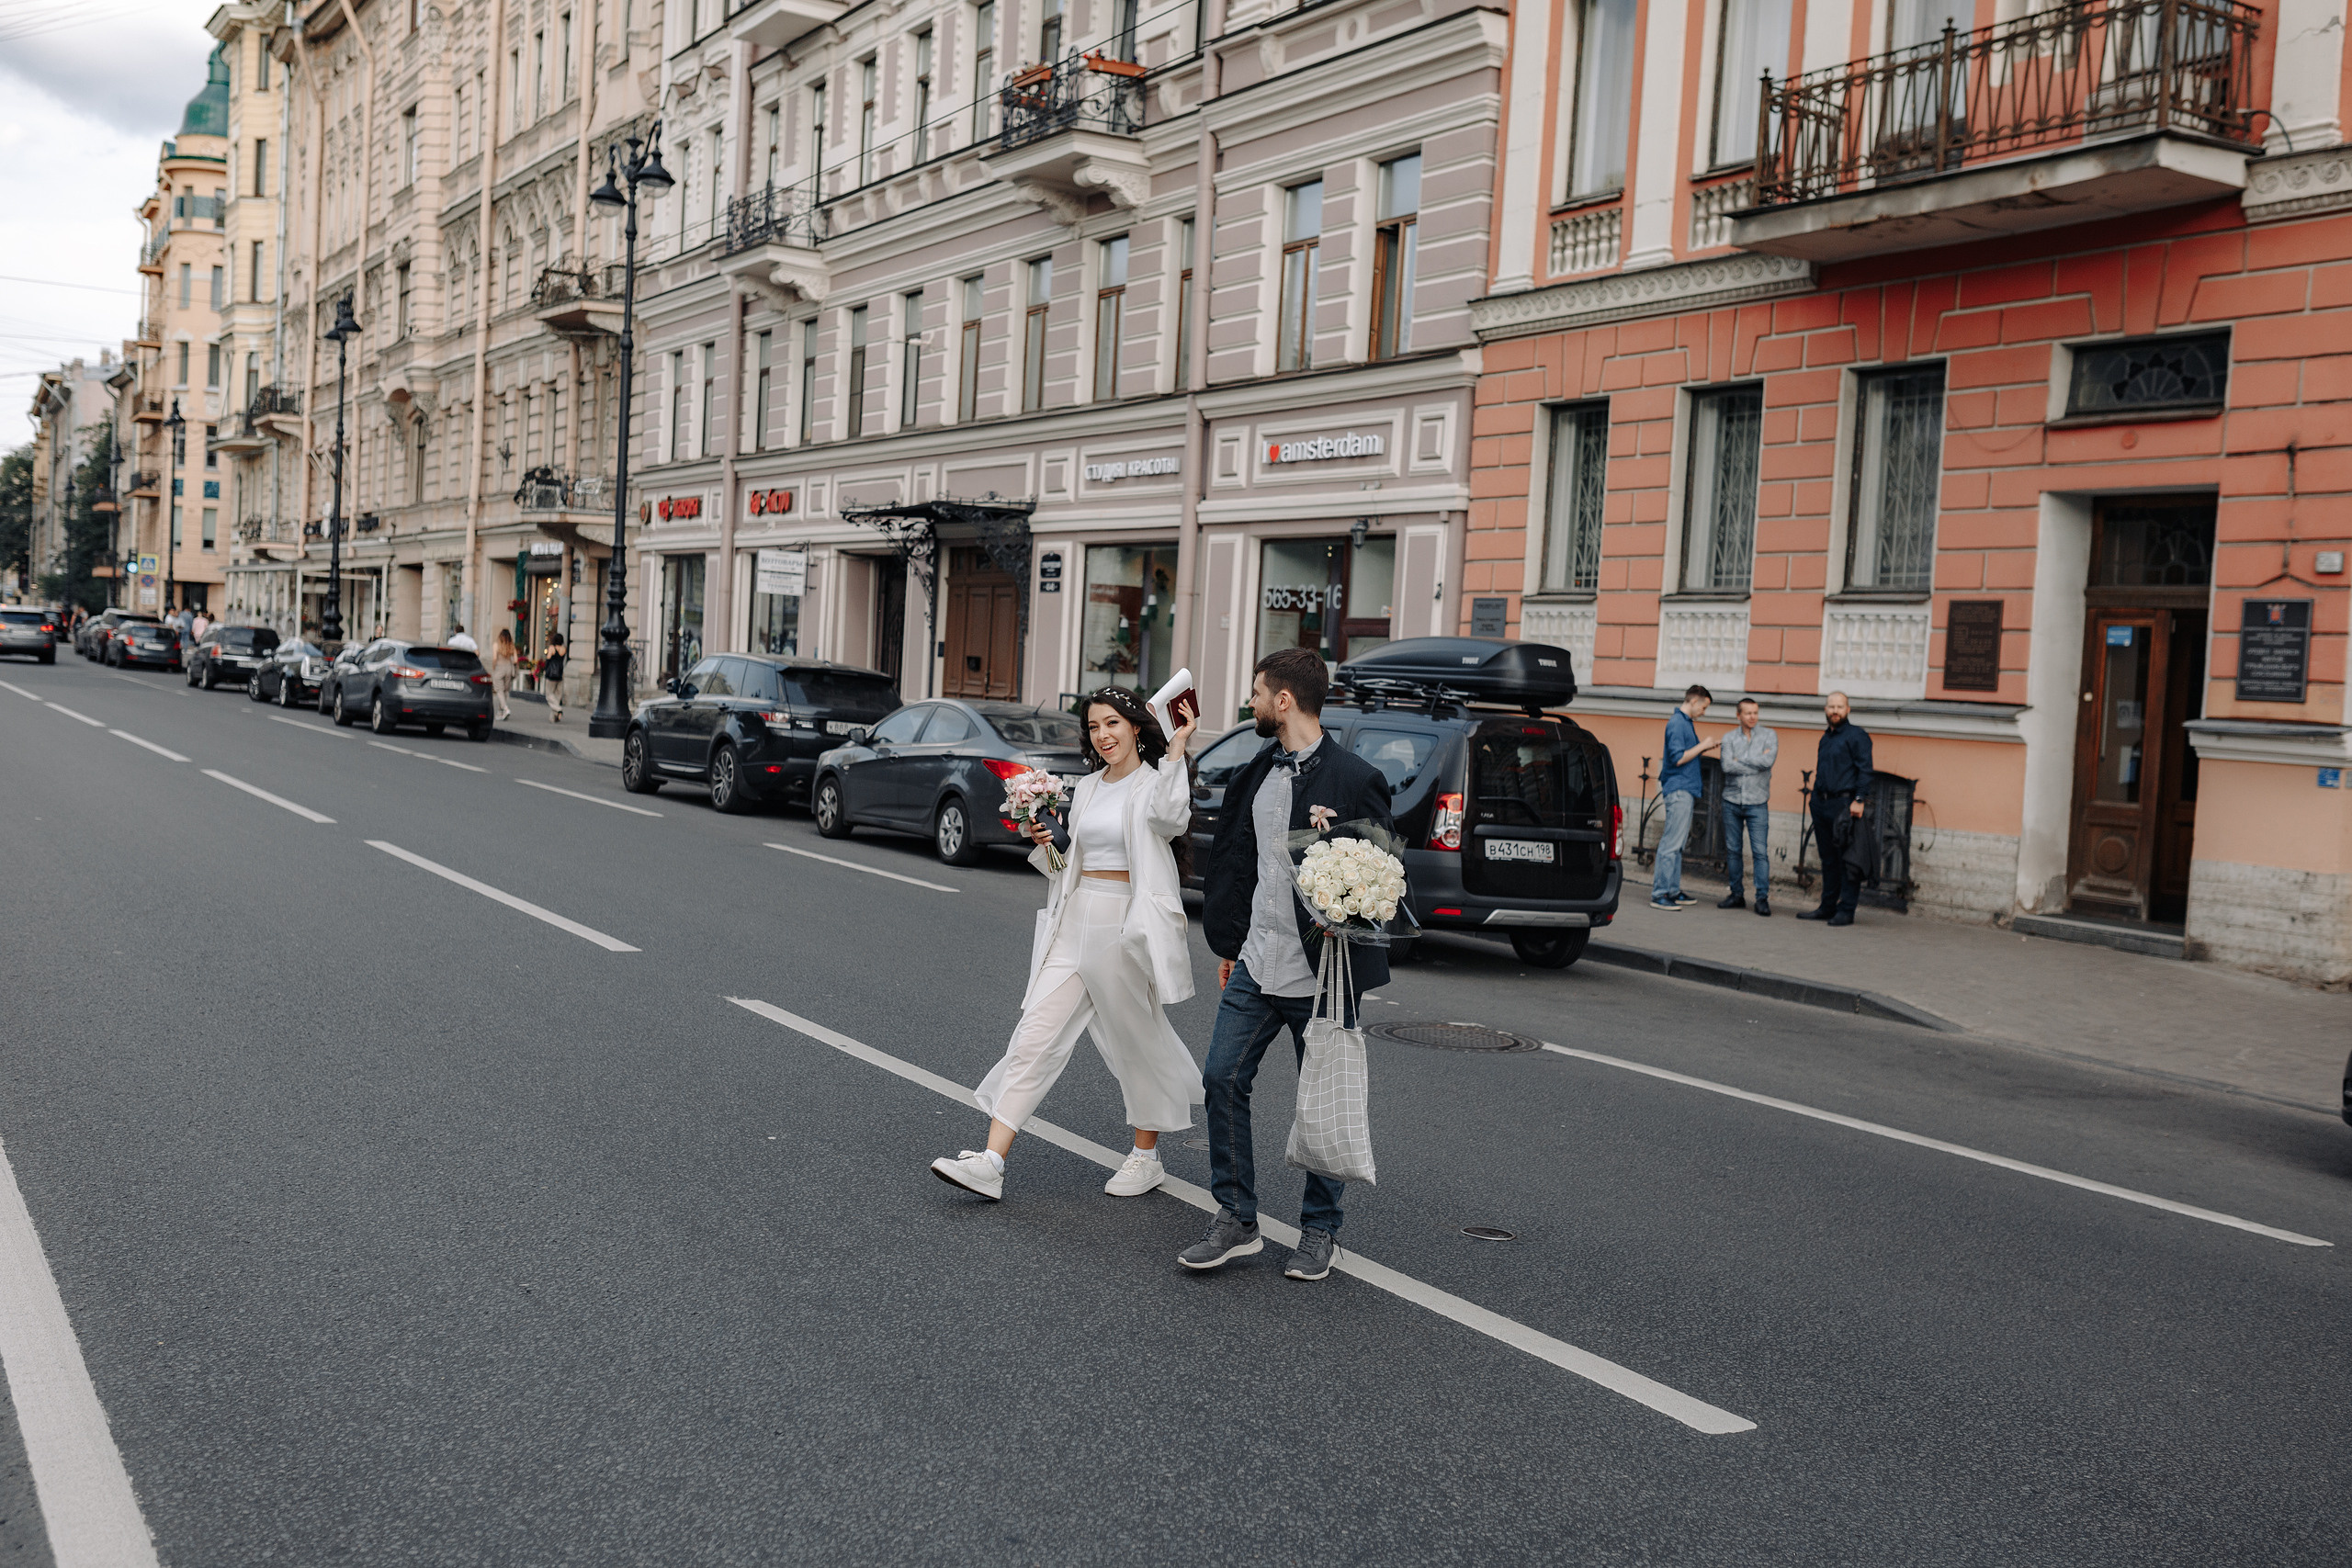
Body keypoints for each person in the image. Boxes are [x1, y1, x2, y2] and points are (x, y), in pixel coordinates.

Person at [932, 688, 1204, 1203]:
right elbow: (1069, 866)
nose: (1103, 735)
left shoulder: (1153, 783)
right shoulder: (1088, 789)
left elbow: (1171, 819)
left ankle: (1146, 1157)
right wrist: (1050, 845)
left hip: (1125, 924)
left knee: (1137, 1042)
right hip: (1074, 917)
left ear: (1134, 728)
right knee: (1035, 1034)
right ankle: (991, 1162)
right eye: (1095, 727)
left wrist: (1177, 749)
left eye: (1113, 724)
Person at [1181, 647, 1396, 1284]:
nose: (1248, 702)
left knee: (1322, 1100)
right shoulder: (1255, 772)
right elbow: (1239, 867)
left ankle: (1321, 1229)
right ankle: (1236, 1215)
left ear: (1283, 700)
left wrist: (1347, 915)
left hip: (1320, 973)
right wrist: (1232, 942)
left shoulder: (1355, 778)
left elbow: (1381, 878)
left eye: (1255, 692)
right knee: (1220, 1077)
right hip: (1257, 961)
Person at [1802, 691, 1874, 927]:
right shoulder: (1826, 738)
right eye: (1831, 706)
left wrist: (1860, 799)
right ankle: (1827, 906)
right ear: (1825, 709)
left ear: (1848, 710)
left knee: (1847, 860)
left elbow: (1865, 770)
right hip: (1821, 804)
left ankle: (1846, 910)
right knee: (1828, 859)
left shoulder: (1857, 736)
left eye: (1839, 707)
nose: (1835, 711)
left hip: (1845, 805)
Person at [1651, 684, 1713, 911]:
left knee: (1677, 844)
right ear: (1694, 702)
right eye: (1704, 707)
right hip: (1679, 788)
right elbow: (1677, 758)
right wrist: (1703, 745)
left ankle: (1673, 891)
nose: (1704, 712)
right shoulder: (1677, 723)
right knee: (1671, 843)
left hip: (1684, 788)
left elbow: (1684, 754)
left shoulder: (1684, 723)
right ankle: (1660, 894)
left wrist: (1702, 748)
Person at [1717, 697, 1778, 916]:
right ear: (1738, 715)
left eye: (1755, 713)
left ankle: (1762, 898)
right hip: (1731, 801)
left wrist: (1739, 760)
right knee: (1733, 851)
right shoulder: (1728, 737)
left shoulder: (1769, 735)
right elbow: (1726, 766)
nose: (1753, 717)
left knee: (1760, 852)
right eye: (1748, 713)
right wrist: (1754, 761)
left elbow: (1767, 762)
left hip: (1758, 802)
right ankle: (1736, 895)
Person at [488, 628, 521, 722]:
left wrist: (493, 668)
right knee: (505, 691)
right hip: (509, 668)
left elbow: (494, 658)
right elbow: (515, 660)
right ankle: (501, 711)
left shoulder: (496, 645)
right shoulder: (511, 646)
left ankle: (505, 709)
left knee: (499, 690)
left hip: (499, 667)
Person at [538, 636, 568, 722]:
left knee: (549, 695)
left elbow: (548, 660)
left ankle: (558, 709)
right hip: (560, 674)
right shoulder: (563, 648)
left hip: (551, 674)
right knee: (557, 696)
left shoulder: (552, 648)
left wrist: (545, 671)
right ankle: (554, 717)